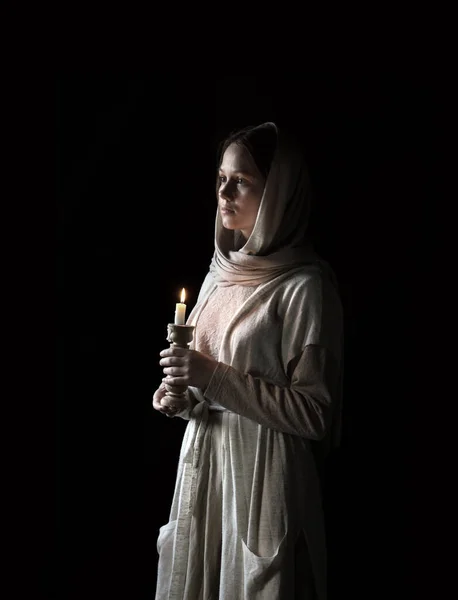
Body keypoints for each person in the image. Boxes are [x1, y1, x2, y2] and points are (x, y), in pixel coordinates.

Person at [152, 121, 344, 599]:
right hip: (204, 470)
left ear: (277, 193)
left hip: (261, 476)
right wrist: (179, 396)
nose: (224, 191)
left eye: (241, 181)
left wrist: (210, 376)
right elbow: (203, 389)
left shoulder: (303, 287)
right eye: (221, 178)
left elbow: (315, 413)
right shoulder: (218, 276)